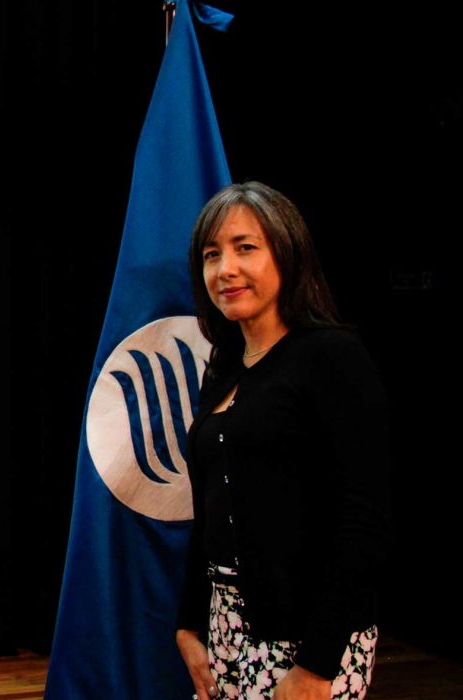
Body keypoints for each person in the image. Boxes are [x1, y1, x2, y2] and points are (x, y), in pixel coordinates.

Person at [175, 181, 389, 700]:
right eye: (211, 254)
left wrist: (316, 665)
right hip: (223, 630)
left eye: (245, 247)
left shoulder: (332, 356)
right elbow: (210, 511)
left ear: (288, 254)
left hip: (309, 641)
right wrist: (188, 624)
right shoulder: (223, 367)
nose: (225, 269)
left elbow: (364, 519)